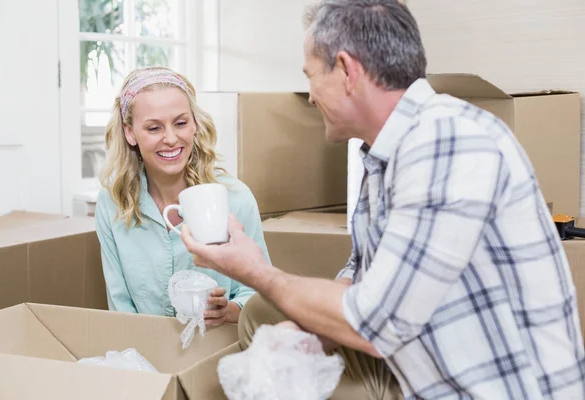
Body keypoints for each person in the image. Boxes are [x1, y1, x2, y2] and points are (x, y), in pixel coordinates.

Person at [180, 0, 585, 398]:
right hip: (422, 361)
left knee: (276, 300)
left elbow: (376, 324)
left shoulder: (447, 142)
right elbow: (362, 271)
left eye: (311, 76)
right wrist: (305, 333)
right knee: (268, 316)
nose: (309, 96)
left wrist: (252, 270)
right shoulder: (387, 153)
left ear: (347, 71)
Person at [95, 66, 270, 327]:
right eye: (154, 128)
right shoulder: (112, 203)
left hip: (219, 353)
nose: (171, 138)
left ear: (195, 124)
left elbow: (261, 290)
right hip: (145, 353)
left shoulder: (235, 198)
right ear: (130, 133)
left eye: (180, 123)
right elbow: (120, 304)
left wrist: (229, 311)